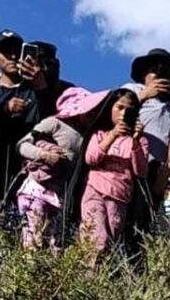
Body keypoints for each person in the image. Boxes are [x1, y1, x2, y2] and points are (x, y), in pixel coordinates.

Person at [15, 87, 109, 249]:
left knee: (53, 242)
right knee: (34, 234)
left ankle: (48, 272)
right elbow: (22, 145)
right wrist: (43, 154)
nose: (93, 113)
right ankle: (29, 269)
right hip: (36, 188)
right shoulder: (54, 123)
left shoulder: (88, 135)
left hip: (59, 196)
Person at [80, 89, 149, 252]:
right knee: (97, 239)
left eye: (129, 109)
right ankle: (88, 274)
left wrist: (136, 142)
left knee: (110, 242)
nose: (123, 113)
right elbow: (91, 158)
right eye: (120, 107)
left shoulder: (140, 141)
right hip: (95, 191)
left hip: (119, 198)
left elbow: (141, 171)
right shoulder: (100, 134)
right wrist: (112, 135)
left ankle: (99, 276)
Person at [0, 29, 47, 201]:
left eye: (16, 50)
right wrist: (3, 109)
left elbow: (50, 121)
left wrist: (41, 86)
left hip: (26, 173)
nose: (12, 56)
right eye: (5, 51)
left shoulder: (36, 90)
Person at [121, 48, 170, 165]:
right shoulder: (133, 90)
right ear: (144, 75)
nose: (160, 76)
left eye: (166, 73)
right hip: (129, 162)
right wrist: (145, 94)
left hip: (158, 172)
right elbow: (116, 110)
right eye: (154, 71)